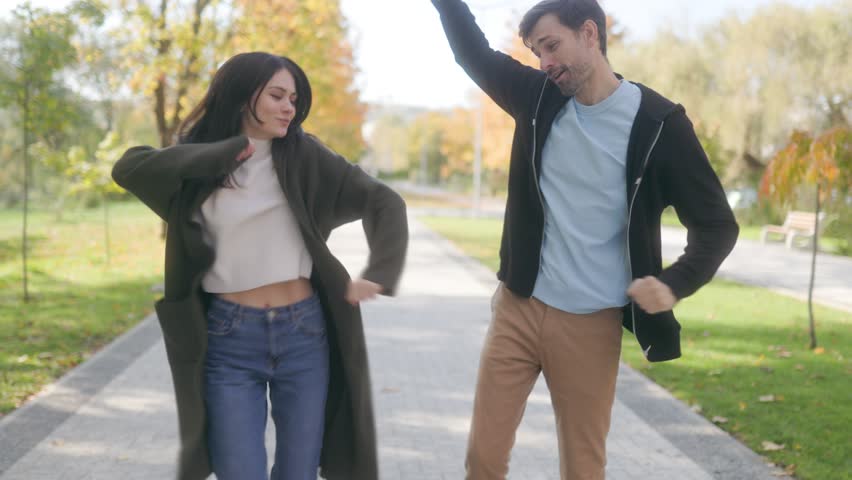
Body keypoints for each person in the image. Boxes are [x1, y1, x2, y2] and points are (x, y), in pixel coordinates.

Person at [429, 1, 739, 479]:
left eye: (551, 46)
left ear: (590, 34)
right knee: (483, 460)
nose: (543, 63)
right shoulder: (536, 97)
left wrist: (675, 282)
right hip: (518, 307)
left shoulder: (658, 124)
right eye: (535, 52)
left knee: (583, 468)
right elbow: (472, 53)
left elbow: (718, 223)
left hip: (591, 323)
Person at [112, 51, 407, 480]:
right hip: (229, 338)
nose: (290, 107)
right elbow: (129, 168)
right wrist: (224, 152)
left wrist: (379, 271)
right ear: (241, 95)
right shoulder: (199, 162)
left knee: (298, 472)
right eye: (277, 96)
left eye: (293, 98)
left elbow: (384, 200)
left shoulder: (303, 155)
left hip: (303, 334)